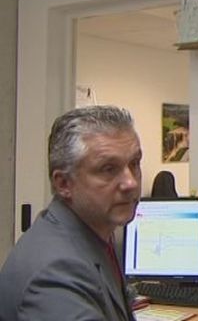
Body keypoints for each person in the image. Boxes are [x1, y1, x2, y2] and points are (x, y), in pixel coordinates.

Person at [0, 105, 142, 321]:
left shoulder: (96, 233)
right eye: (108, 168)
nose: (130, 182)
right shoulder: (55, 273)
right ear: (64, 183)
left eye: (134, 163)